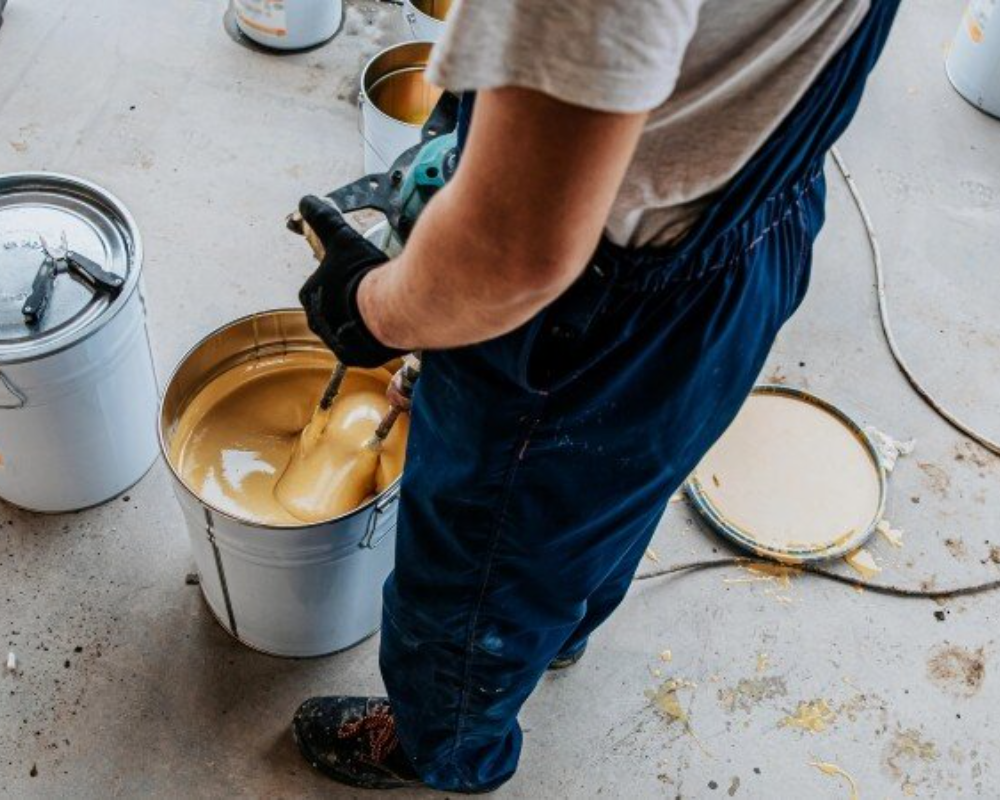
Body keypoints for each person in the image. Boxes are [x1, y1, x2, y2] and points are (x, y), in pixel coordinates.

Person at [291, 0, 901, 792]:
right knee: (610, 493)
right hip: (751, 215)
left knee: (470, 582)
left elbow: (512, 252)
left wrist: (369, 309)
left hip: (599, 313)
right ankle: (553, 632)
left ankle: (441, 747)